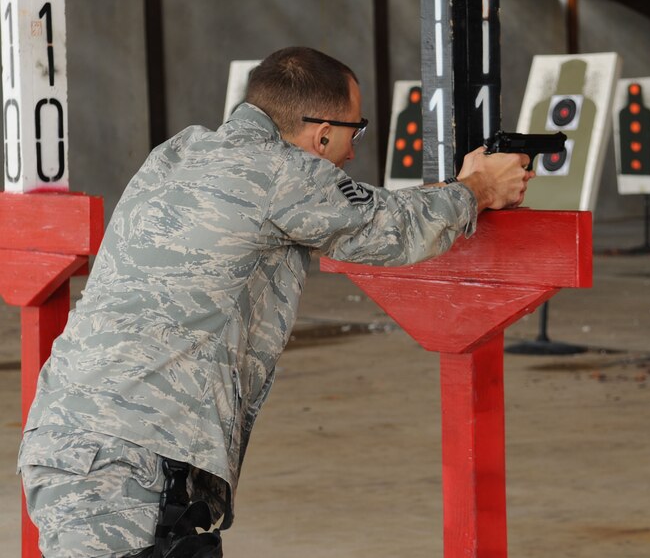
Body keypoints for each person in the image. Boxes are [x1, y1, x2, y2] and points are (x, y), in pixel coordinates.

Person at [18, 46, 533, 558]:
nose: (352, 154)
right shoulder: (279, 171)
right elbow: (390, 228)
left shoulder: (180, 151)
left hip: (72, 434)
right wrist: (478, 189)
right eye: (356, 132)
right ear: (323, 132)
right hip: (126, 457)